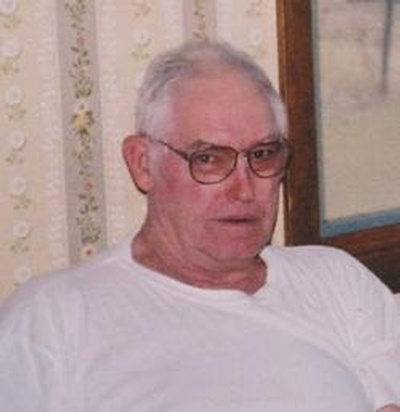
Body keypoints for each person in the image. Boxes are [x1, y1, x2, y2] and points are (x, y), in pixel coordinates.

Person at [0, 41, 399, 412]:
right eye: (208, 159)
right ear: (142, 163)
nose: (244, 190)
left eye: (262, 155)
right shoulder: (52, 320)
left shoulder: (336, 282)